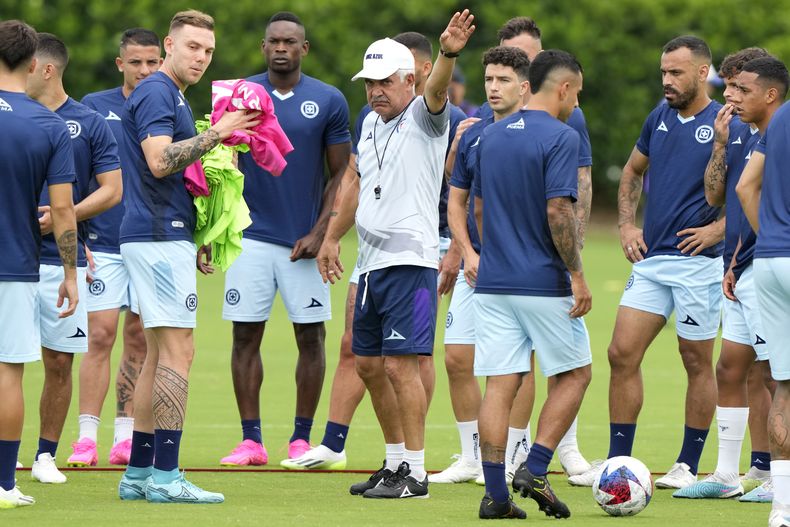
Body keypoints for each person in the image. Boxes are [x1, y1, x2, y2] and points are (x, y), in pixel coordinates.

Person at [281, 29, 468, 471]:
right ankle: (394, 462)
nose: (375, 90)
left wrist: (447, 54)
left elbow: (439, 86)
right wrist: (330, 237)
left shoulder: (427, 116)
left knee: (402, 367)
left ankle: (415, 471)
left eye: (385, 81)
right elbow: (354, 185)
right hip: (369, 265)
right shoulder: (368, 121)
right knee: (366, 363)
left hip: (410, 263)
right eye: (369, 82)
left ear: (410, 80)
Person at [570, 36, 725, 489]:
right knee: (621, 353)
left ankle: (687, 464)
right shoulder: (659, 117)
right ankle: (619, 461)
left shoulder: (725, 122)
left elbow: (748, 187)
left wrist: (718, 230)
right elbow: (633, 171)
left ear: (702, 73)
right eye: (663, 73)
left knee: (695, 360)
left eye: (676, 73)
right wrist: (626, 226)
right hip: (653, 259)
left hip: (700, 263)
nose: (666, 82)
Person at [116, 10, 259, 504]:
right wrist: (220, 132)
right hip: (157, 238)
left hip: (158, 235)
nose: (201, 57)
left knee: (158, 355)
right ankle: (166, 476)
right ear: (169, 46)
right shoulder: (158, 90)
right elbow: (159, 161)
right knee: (180, 353)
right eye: (192, 47)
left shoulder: (169, 93)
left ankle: (138, 473)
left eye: (208, 51)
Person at [461, 16, 594, 483]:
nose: (576, 102)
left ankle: (495, 491)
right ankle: (535, 469)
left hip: (493, 282)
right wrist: (576, 273)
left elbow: (477, 211)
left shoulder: (489, 134)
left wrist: (490, 253)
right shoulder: (562, 136)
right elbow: (559, 211)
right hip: (542, 281)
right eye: (575, 93)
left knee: (500, 385)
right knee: (575, 374)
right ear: (562, 89)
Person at [219, 11, 351, 466]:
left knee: (310, 337)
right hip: (248, 239)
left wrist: (321, 232)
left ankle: (300, 439)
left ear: (304, 49)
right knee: (244, 337)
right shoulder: (241, 95)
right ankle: (251, 441)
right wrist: (217, 227)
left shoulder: (329, 100)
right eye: (273, 41)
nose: (281, 48)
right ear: (263, 46)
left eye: (289, 42)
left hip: (303, 244)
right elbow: (220, 163)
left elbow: (341, 175)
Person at [674, 51, 784, 500]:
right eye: (730, 87)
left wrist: (755, 252)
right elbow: (719, 196)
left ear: (771, 94)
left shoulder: (781, 134)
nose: (731, 97)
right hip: (739, 268)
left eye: (742, 89)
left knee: (776, 373)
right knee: (731, 366)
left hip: (767, 266)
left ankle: (777, 474)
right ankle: (725, 474)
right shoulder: (742, 135)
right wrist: (719, 144)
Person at [26, 32, 123, 484]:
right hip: (13, 260)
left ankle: (46, 455)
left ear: (45, 69)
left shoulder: (89, 122)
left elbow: (111, 189)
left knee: (59, 360)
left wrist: (66, 217)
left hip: (61, 260)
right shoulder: (11, 116)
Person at [431, 46, 530, 486]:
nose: (493, 87)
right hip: (477, 265)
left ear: (524, 87)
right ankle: (472, 456)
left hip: (523, 270)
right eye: (489, 79)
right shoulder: (471, 133)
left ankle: (514, 454)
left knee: (514, 365)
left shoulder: (541, 132)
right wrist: (466, 252)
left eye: (503, 80)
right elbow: (457, 199)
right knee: (457, 359)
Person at [66, 28, 161, 468]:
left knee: (139, 337)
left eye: (152, 62)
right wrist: (78, 234)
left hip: (150, 241)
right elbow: (79, 175)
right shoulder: (92, 107)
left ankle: (125, 436)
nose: (145, 70)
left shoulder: (167, 104)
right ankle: (87, 436)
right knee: (100, 335)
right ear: (121, 63)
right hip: (103, 242)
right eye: (136, 62)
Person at [0, 19, 78, 509]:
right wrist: (70, 274)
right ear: (34, 64)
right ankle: (4, 486)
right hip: (15, 267)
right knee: (8, 374)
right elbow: (64, 210)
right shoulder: (49, 125)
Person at [736, 61, 790, 527]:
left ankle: (782, 510)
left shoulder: (782, 118)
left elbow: (743, 185)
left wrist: (770, 235)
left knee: (785, 385)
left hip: (770, 262)